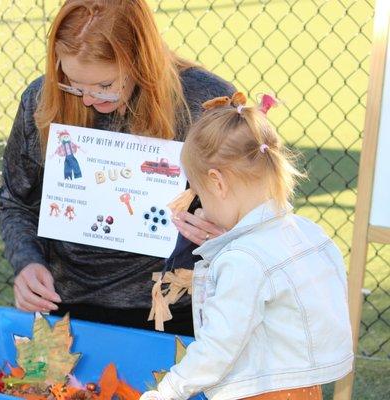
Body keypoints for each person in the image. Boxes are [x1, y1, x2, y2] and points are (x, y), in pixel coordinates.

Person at [0, 0, 233, 335]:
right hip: (64, 306)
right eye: (73, 83)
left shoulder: (205, 102)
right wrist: (27, 262)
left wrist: (228, 231)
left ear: (141, 60)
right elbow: (16, 201)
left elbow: (256, 205)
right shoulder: (43, 98)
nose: (89, 98)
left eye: (105, 86)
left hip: (174, 310)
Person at [139, 93, 353, 400]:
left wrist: (168, 390)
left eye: (199, 194)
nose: (203, 208)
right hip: (305, 389)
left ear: (218, 182)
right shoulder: (308, 233)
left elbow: (219, 346)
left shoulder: (243, 260)